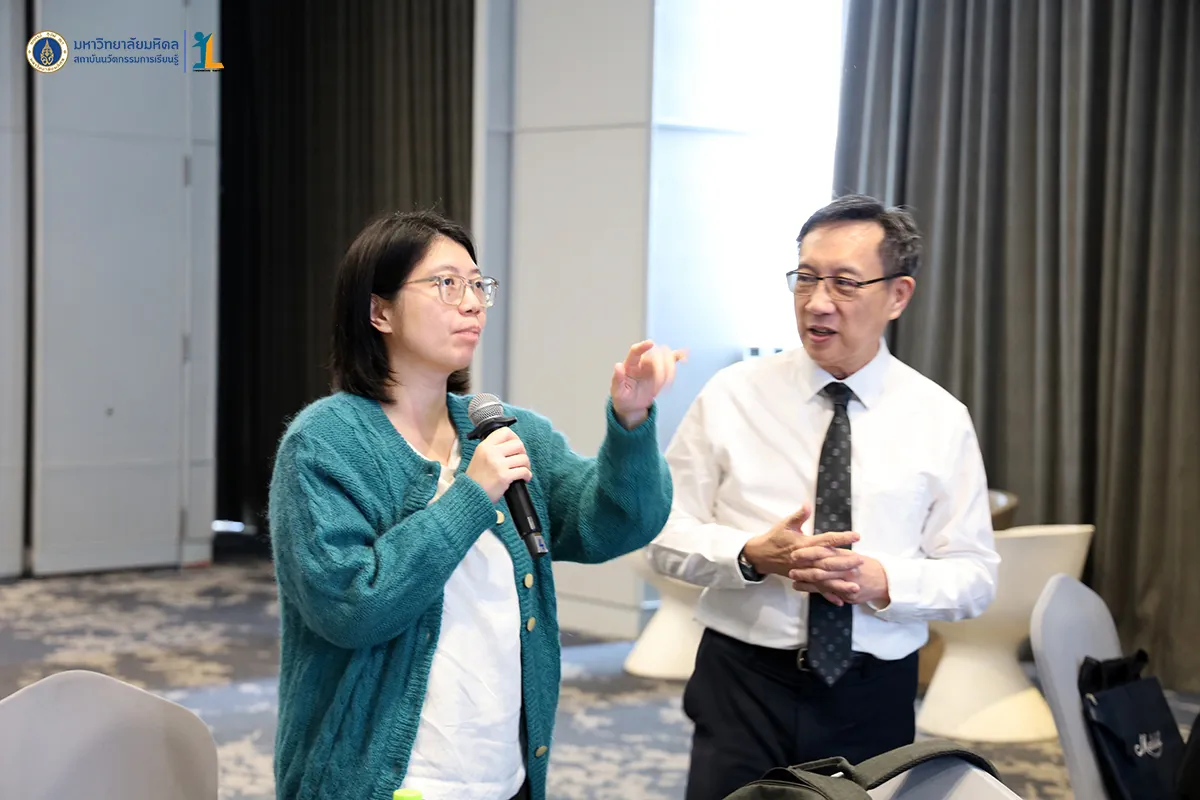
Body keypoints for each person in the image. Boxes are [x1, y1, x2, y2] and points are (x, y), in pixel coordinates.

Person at [267, 210, 683, 800]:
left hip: (501, 773)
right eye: (446, 284)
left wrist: (632, 419)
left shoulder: (505, 431)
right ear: (379, 311)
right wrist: (470, 495)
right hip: (382, 779)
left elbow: (616, 521)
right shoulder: (325, 443)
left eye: (477, 284)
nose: (472, 304)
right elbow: (351, 607)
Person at [645, 194, 1000, 799]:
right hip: (743, 680)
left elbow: (975, 576)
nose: (816, 302)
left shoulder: (940, 418)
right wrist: (751, 555)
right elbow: (660, 533)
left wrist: (882, 582)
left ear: (898, 295)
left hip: (872, 690)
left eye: (844, 283)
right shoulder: (732, 394)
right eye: (805, 278)